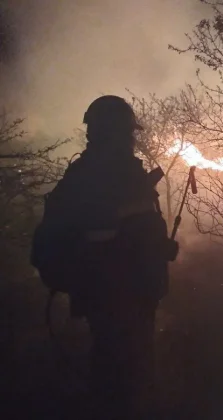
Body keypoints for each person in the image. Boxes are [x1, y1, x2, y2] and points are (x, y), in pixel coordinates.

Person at [31, 95, 178, 417]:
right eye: (128, 132)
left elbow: (134, 229)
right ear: (114, 132)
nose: (132, 139)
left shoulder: (102, 172)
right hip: (119, 297)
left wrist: (159, 247)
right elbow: (112, 234)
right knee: (122, 383)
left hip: (124, 297)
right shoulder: (101, 176)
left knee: (117, 375)